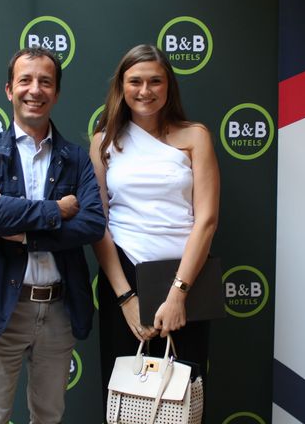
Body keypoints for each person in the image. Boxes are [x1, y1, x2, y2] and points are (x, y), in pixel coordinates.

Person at [0, 47, 106, 424]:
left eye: (45, 82)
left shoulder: (76, 158)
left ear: (57, 93)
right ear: (9, 89)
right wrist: (57, 210)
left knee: (49, 417)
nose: (35, 90)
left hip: (59, 309)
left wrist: (24, 234)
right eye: (25, 80)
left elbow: (92, 224)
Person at [90, 44, 220, 420]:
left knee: (182, 400)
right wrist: (126, 298)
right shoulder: (103, 141)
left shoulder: (195, 137)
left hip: (187, 278)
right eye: (135, 81)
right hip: (124, 278)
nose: (145, 90)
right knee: (124, 399)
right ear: (121, 86)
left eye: (155, 81)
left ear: (168, 86)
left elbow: (207, 219)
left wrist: (178, 294)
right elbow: (98, 224)